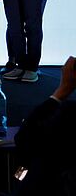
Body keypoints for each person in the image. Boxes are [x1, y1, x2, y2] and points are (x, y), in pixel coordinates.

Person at [14, 56, 76, 196]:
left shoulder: (67, 115)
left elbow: (23, 137)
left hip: (45, 185)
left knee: (26, 163)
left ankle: (16, 181)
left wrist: (61, 91)